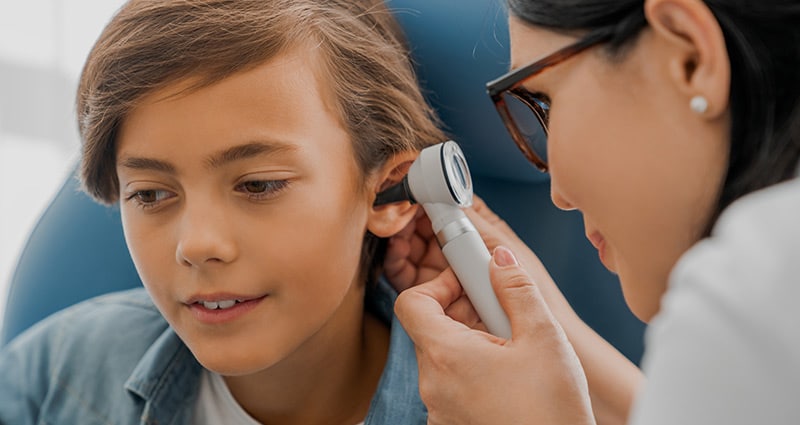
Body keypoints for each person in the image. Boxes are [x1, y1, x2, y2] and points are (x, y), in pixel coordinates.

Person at [0, 0, 446, 424]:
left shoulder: (485, 406)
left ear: (391, 192)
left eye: (259, 185)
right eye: (151, 195)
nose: (196, 245)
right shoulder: (55, 369)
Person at [386, 0, 800, 424]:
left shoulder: (749, 297)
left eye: (544, 103)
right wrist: (559, 339)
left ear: (689, 58)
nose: (559, 195)